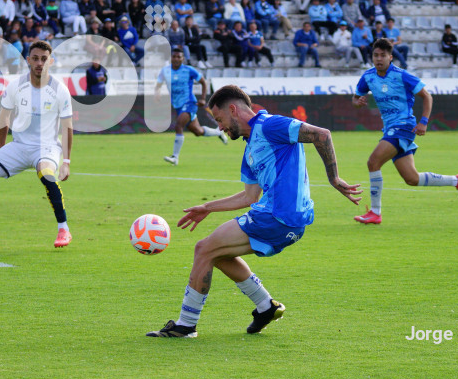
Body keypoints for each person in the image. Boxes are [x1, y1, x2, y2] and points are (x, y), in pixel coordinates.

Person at [146, 85, 362, 338]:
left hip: (278, 216)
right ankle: (266, 307)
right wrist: (207, 207)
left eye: (219, 120)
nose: (220, 128)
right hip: (282, 218)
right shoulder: (250, 148)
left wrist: (334, 178)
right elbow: (249, 196)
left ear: (234, 110)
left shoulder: (270, 126)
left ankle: (186, 326)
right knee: (218, 254)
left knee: (203, 249)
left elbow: (322, 134)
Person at [352, 38, 458, 225]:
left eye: (383, 55)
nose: (379, 59)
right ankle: (457, 180)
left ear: (391, 57)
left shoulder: (401, 75)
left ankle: (375, 212)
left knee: (373, 162)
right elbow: (356, 96)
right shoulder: (368, 77)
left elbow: (427, 96)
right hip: (390, 128)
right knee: (412, 179)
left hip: (404, 126)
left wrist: (423, 121)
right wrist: (357, 102)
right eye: (376, 55)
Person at [0, 41, 74, 250]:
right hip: (19, 145)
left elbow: (67, 126)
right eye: (35, 58)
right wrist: (0, 148)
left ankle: (64, 229)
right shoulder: (16, 86)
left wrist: (67, 161)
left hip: (47, 146)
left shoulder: (60, 90)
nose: (39, 63)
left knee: (46, 174)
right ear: (28, 60)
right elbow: (4, 117)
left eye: (44, 59)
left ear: (50, 62)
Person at [156, 48, 228, 166]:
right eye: (174, 56)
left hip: (189, 103)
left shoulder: (189, 70)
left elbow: (203, 82)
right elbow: (158, 84)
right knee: (198, 131)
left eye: (179, 57)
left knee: (179, 125)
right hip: (178, 106)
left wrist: (203, 98)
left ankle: (175, 157)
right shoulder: (165, 71)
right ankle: (218, 133)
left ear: (182, 58)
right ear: (171, 58)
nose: (176, 59)